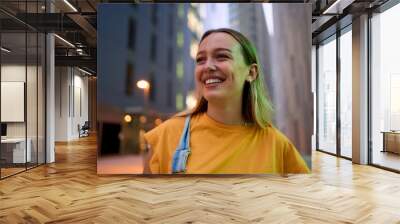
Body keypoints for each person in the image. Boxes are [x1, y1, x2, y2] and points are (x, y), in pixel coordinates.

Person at [143, 28, 310, 174]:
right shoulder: (166, 135)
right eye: (200, 59)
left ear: (251, 73)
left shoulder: (277, 145)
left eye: (221, 57)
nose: (207, 66)